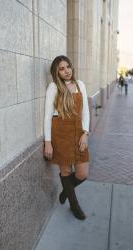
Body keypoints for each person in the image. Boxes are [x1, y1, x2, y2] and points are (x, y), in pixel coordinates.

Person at [44, 55, 90, 220]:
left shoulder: (80, 85)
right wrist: (48, 143)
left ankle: (66, 190)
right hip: (61, 134)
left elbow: (85, 112)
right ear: (56, 72)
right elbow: (48, 116)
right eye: (61, 69)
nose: (66, 71)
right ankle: (74, 205)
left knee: (82, 173)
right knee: (65, 170)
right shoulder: (53, 87)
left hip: (78, 133)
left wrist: (85, 133)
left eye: (68, 66)